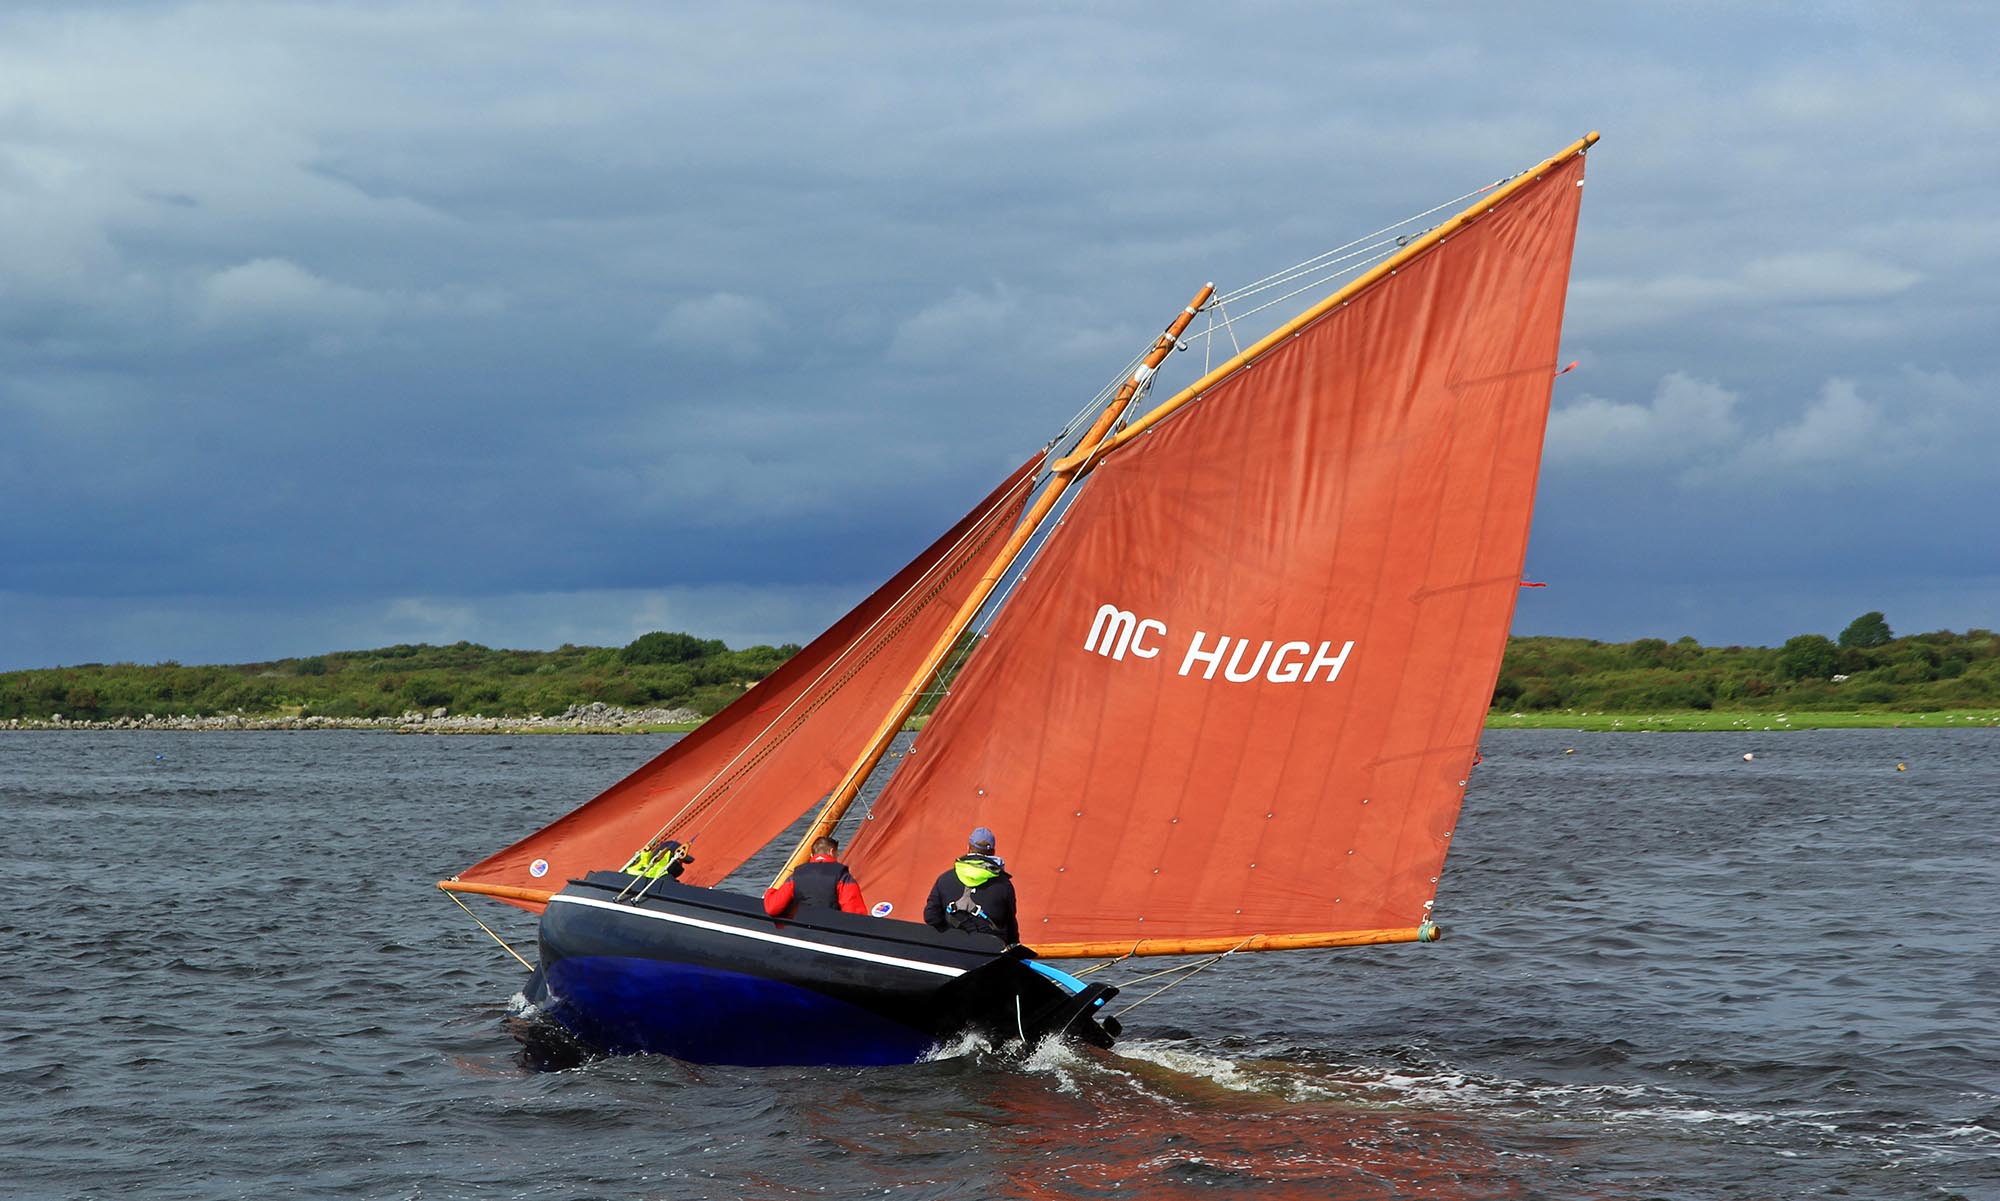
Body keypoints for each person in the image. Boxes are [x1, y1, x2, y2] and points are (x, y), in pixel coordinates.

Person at [923, 826, 1018, 945]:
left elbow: (931, 917)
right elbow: (1010, 924)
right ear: (993, 852)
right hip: (990, 952)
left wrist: (950, 935)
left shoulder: (944, 879)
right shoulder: (1004, 885)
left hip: (954, 949)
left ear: (968, 848)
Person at [763, 835, 867, 917]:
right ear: (832, 852)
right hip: (831, 930)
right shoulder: (842, 876)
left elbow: (772, 908)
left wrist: (770, 892)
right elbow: (855, 915)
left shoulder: (796, 875)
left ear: (812, 855)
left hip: (802, 928)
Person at [621, 838, 690, 880]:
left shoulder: (631, 869)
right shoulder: (665, 879)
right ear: (670, 858)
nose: (681, 865)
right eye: (679, 861)